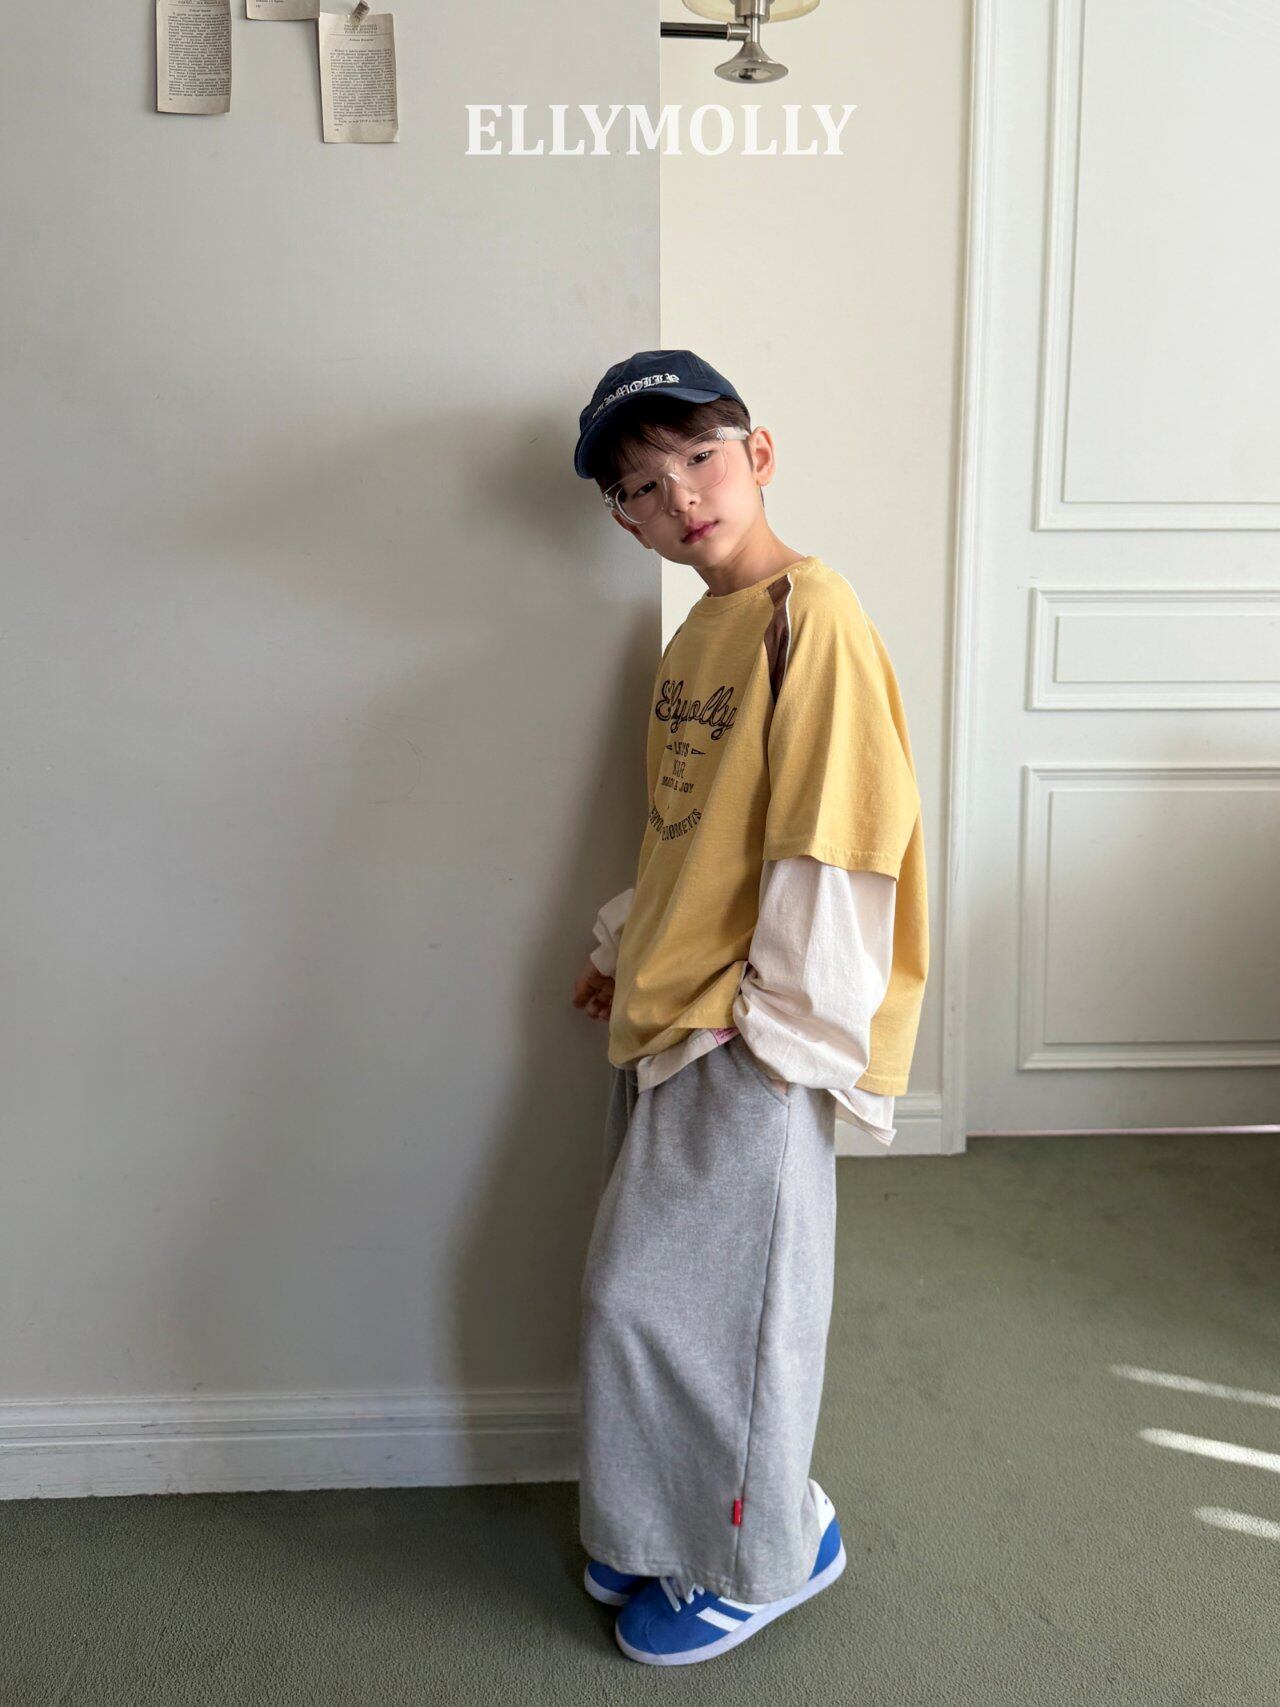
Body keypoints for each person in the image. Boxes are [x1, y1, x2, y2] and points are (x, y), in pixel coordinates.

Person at [569, 350, 929, 1666]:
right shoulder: (698, 633)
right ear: (626, 521)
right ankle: (663, 1521)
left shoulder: (810, 614)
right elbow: (689, 829)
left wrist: (778, 1026)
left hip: (750, 1029)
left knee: (734, 1314)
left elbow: (839, 833)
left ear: (758, 454)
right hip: (678, 1009)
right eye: (644, 487)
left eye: (700, 459)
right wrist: (627, 943)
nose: (682, 497)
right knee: (649, 1300)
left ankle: (768, 1553)